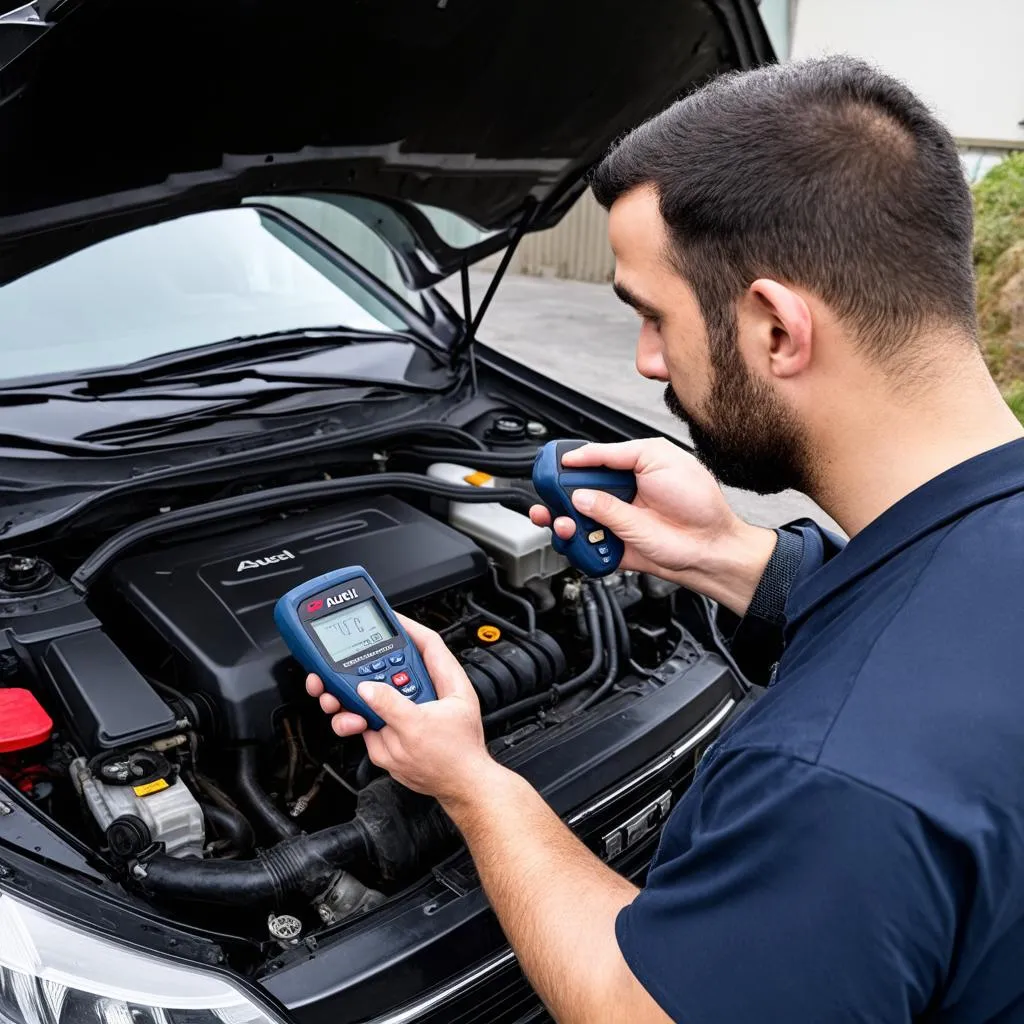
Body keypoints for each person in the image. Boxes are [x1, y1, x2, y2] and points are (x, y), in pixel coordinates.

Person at [307, 55, 1024, 1023]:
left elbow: (628, 1003)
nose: (646, 360)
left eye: (652, 313)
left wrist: (471, 782)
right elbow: (937, 600)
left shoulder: (833, 778)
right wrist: (724, 553)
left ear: (775, 329)